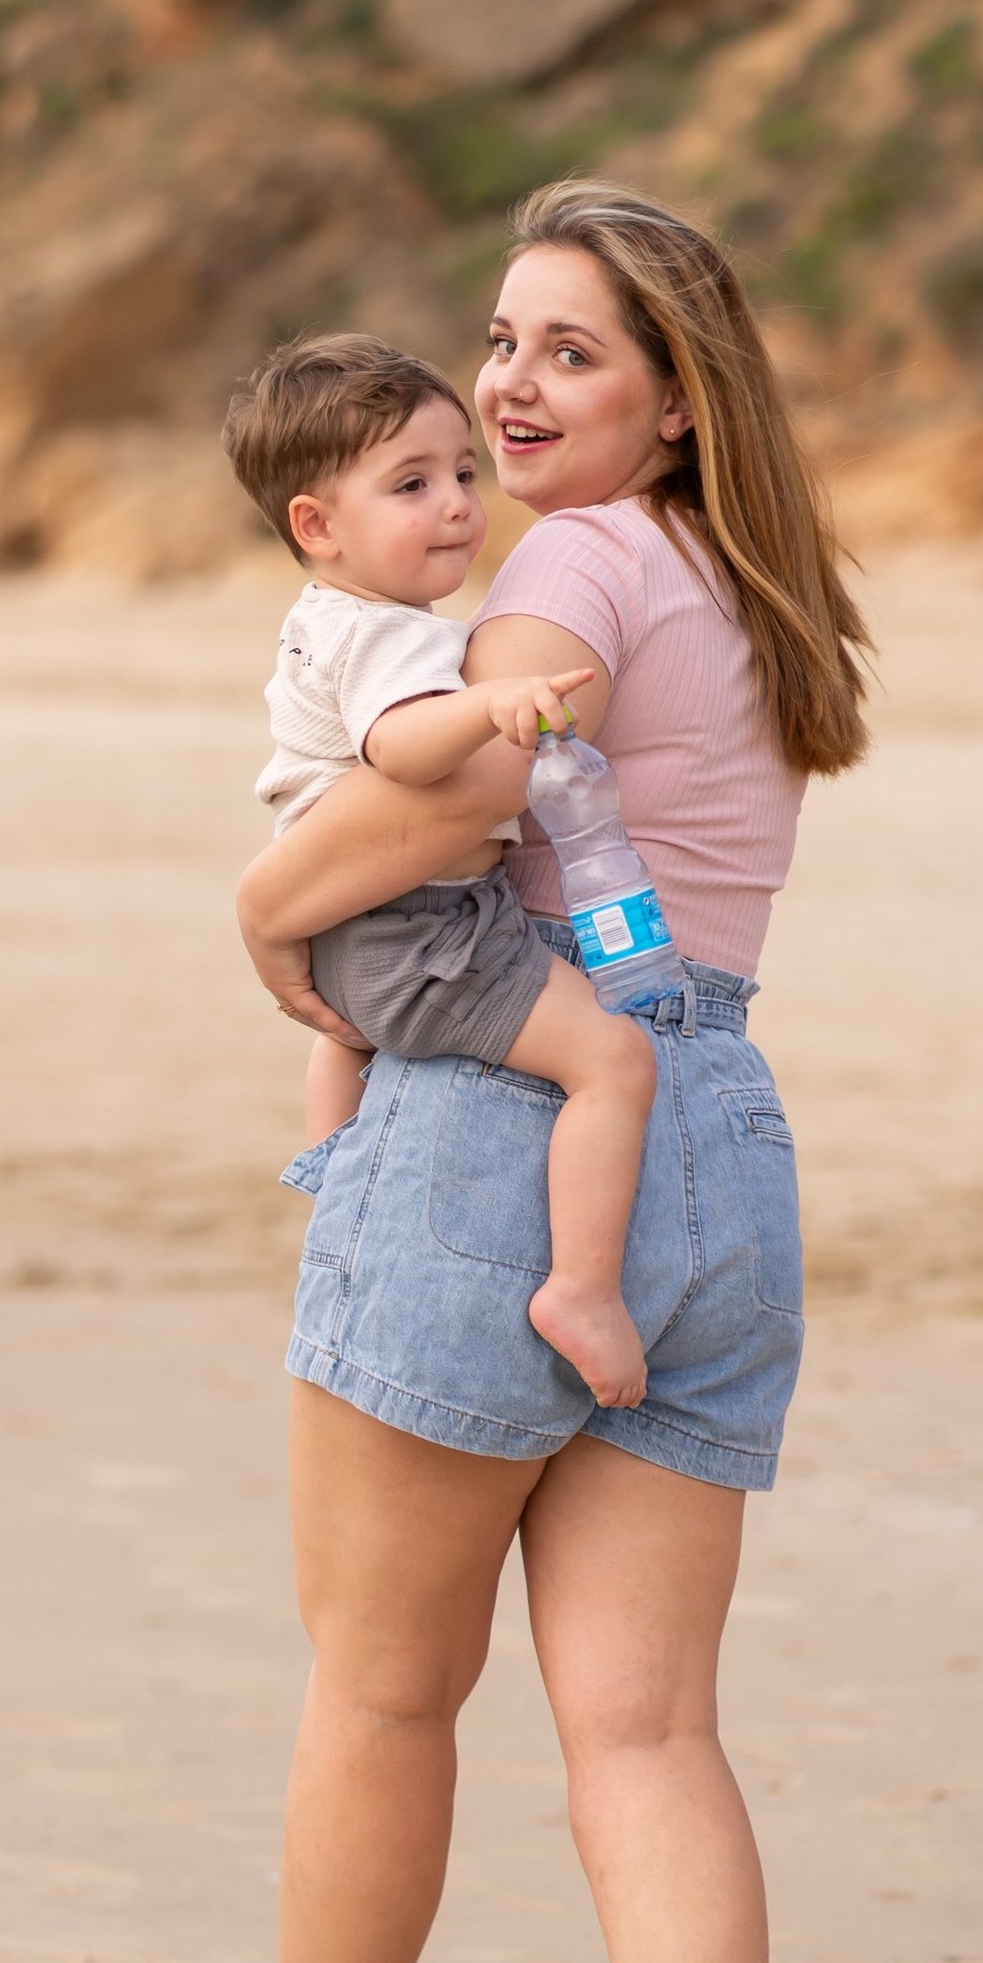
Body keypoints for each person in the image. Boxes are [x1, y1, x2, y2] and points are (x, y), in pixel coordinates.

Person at [135, 183, 870, 1963]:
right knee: (647, 1727)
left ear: (674, 398)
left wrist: (263, 908)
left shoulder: (567, 568)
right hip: (708, 1127)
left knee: (383, 1690)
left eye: (571, 351)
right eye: (502, 340)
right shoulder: (743, 585)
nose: (512, 386)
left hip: (501, 1125)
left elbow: (466, 793)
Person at [230, 331, 659, 1409]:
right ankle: (582, 1288)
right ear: (318, 526)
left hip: (355, 925)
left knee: (351, 1034)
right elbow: (407, 752)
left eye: (464, 473)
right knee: (612, 1062)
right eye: (412, 485)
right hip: (418, 924)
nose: (460, 506)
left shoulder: (330, 618)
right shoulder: (389, 638)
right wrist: (491, 703)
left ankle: (337, 1175)